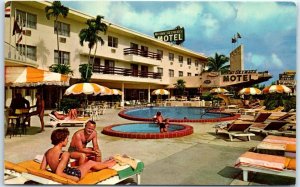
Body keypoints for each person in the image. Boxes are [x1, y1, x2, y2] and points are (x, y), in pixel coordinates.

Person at [40, 128, 116, 182]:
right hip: (73, 175)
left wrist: (52, 173)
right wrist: (74, 179)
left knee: (89, 167)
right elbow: (58, 173)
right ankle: (110, 163)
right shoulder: (64, 154)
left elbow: (42, 169)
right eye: (66, 138)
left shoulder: (47, 152)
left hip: (69, 171)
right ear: (62, 140)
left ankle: (106, 163)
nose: (68, 140)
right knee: (90, 163)